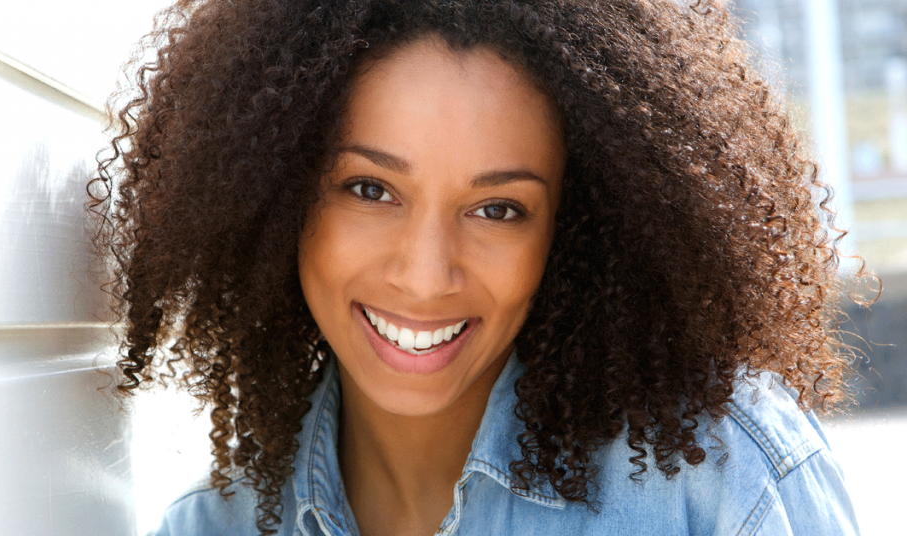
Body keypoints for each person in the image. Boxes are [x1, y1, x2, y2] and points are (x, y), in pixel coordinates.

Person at [89, 0, 871, 534]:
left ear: (576, 227)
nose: (427, 277)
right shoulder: (214, 526)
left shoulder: (721, 480)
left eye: (498, 209)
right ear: (275, 194)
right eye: (370, 189)